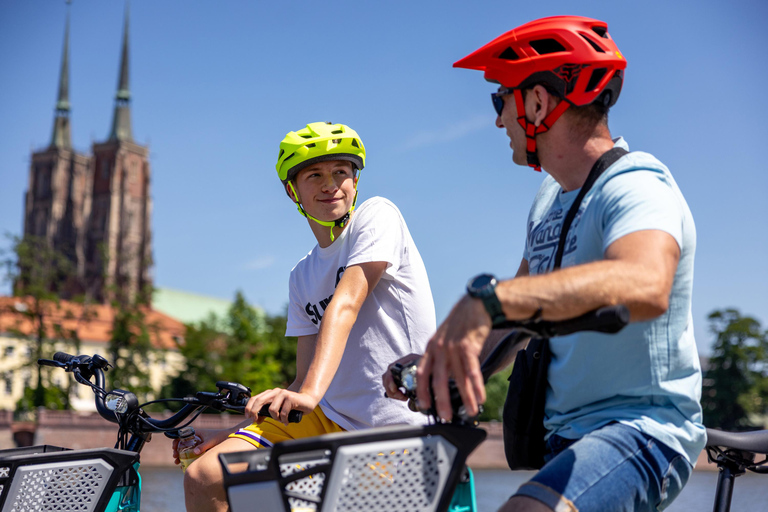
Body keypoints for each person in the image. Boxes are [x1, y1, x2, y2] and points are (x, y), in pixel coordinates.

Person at [384, 16, 706, 512]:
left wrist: (485, 301)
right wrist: (438, 366)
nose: (497, 119)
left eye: (501, 100)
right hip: (563, 436)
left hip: (642, 430)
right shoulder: (548, 202)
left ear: (537, 101)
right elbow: (518, 315)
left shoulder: (636, 183)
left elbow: (645, 281)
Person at [181, 121, 436, 512]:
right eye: (314, 175)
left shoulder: (378, 216)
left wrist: (308, 394)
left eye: (341, 172)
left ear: (355, 181)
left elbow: (346, 303)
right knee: (204, 476)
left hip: (394, 426)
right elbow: (303, 379)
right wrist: (234, 432)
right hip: (325, 418)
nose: (330, 184)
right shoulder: (302, 275)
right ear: (292, 190)